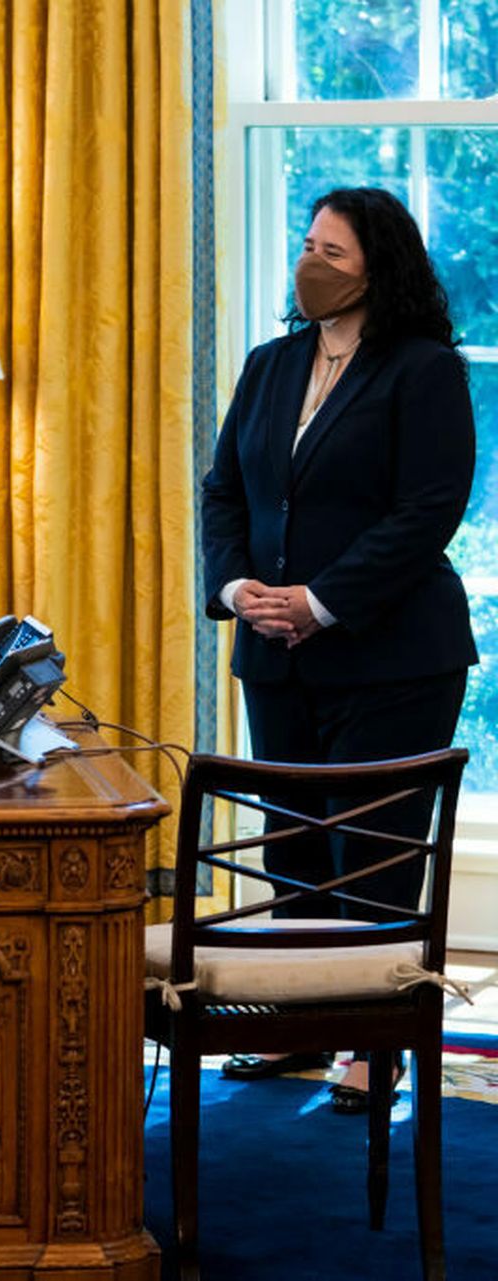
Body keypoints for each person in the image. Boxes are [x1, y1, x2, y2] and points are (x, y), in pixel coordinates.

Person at [200, 186, 476, 1113]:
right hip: (275, 650)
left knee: (374, 851)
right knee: (293, 850)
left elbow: (429, 509)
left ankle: (374, 1043)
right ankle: (300, 1024)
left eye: (335, 252)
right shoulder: (270, 363)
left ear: (378, 269)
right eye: (308, 244)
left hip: (392, 655)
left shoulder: (423, 368)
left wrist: (322, 601)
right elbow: (225, 490)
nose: (311, 263)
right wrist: (240, 590)